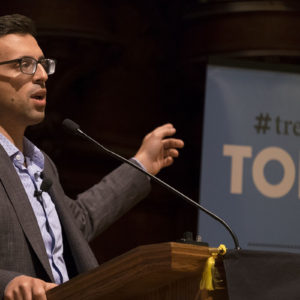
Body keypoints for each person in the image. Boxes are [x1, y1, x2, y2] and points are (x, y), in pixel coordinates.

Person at [0, 14, 184, 300]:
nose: (42, 75)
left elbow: (78, 222)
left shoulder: (40, 162)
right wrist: (6, 283)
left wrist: (142, 165)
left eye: (42, 64)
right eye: (24, 65)